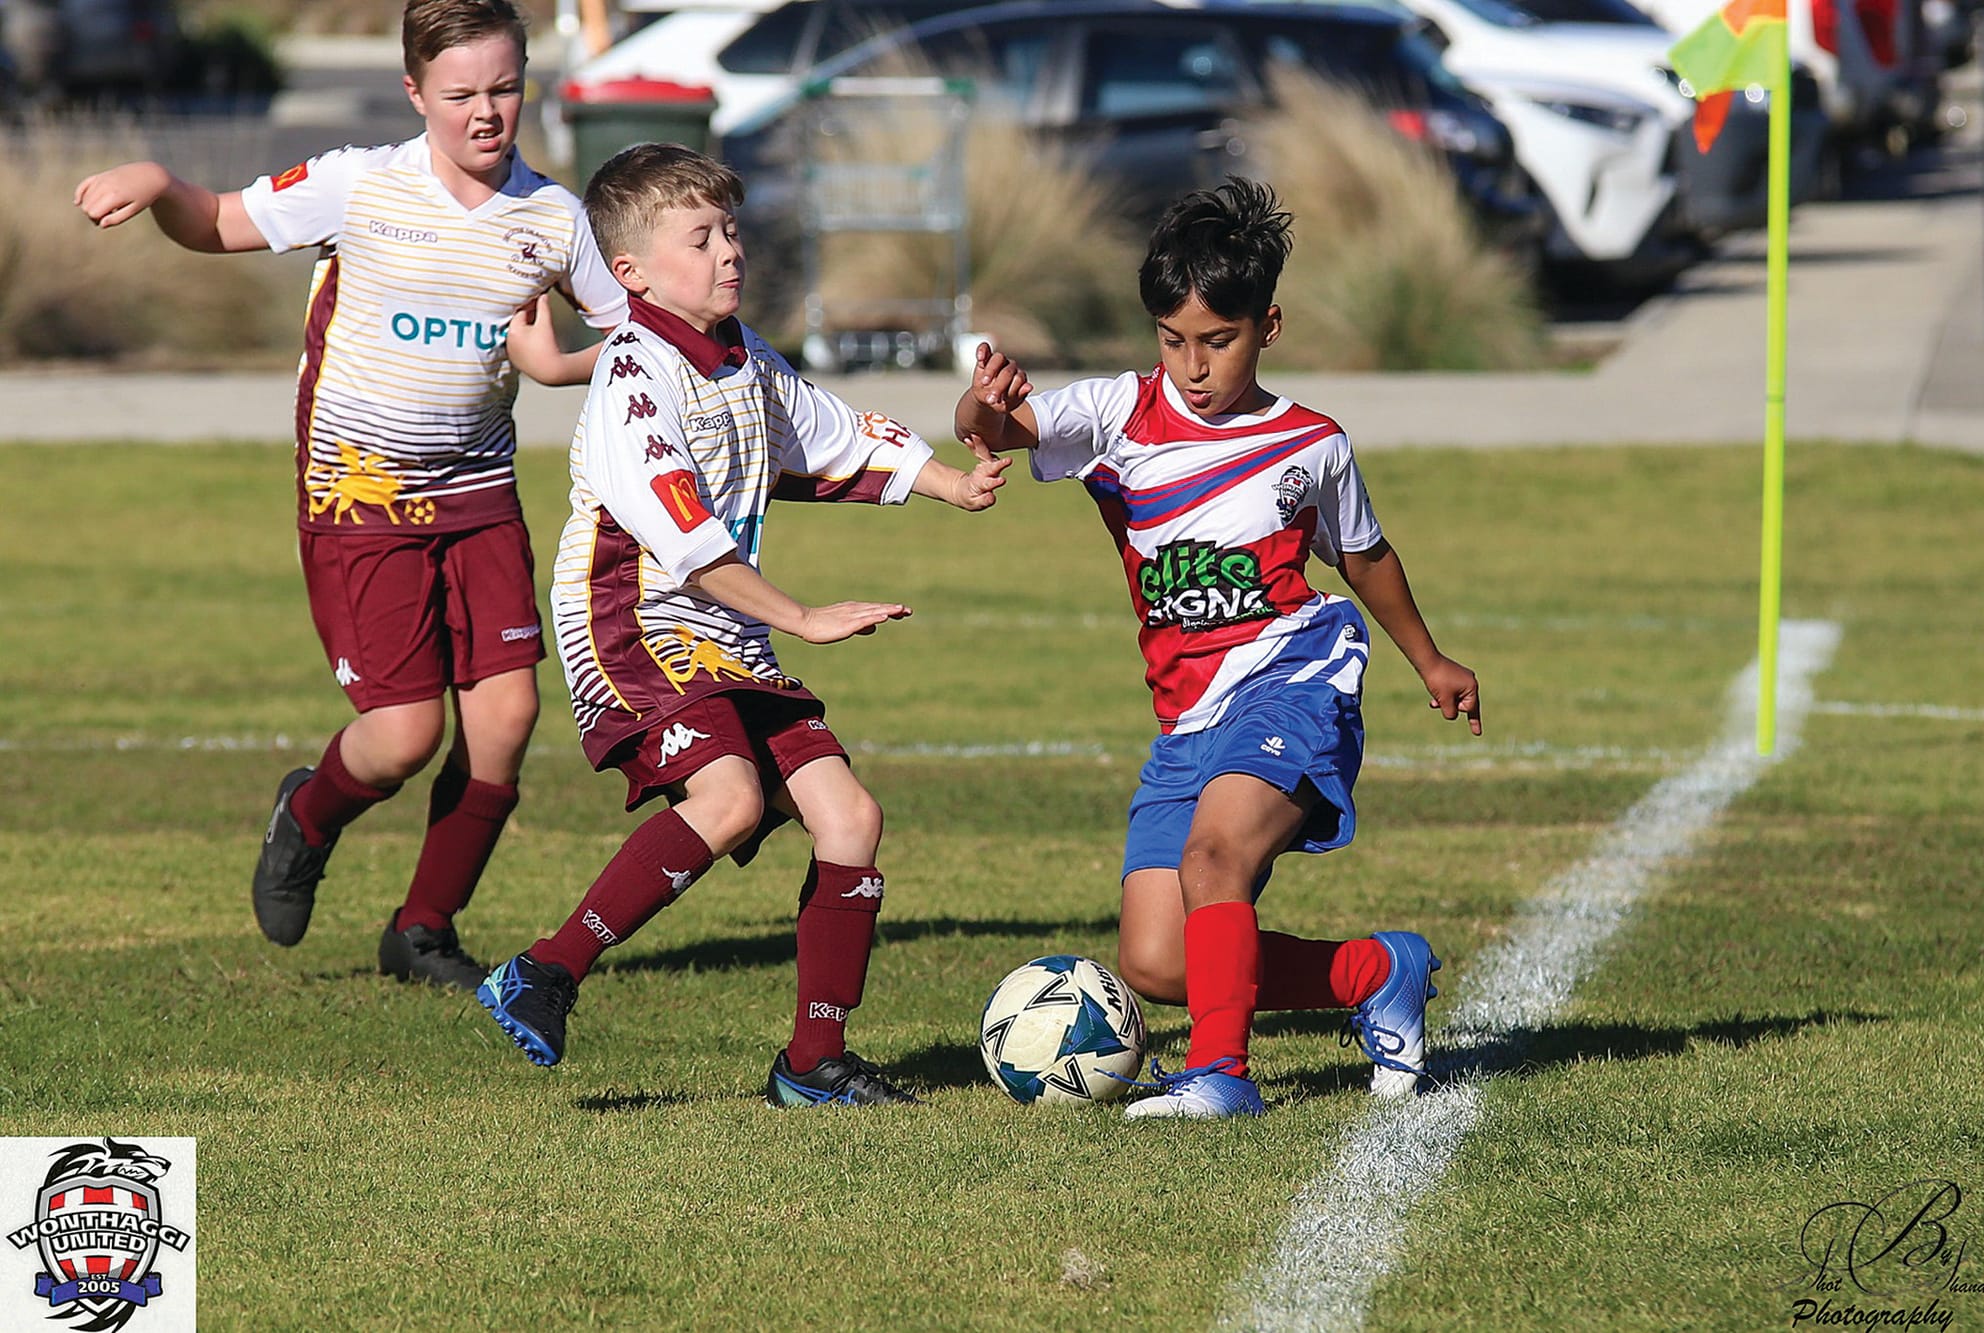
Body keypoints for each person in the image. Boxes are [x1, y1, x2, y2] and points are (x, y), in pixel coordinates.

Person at [73, 0, 627, 990]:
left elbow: (634, 344)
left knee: (503, 721)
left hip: (478, 492)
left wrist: (560, 367)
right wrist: (158, 181)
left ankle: (421, 931)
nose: (486, 113)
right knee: (404, 736)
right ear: (415, 94)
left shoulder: (551, 219)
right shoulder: (359, 185)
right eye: (460, 95)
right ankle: (309, 813)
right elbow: (215, 223)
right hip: (358, 494)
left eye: (505, 87)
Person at [477, 142, 1009, 1108]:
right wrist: (801, 616)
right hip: (632, 618)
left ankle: (814, 1062)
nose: (730, 251)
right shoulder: (635, 382)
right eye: (702, 237)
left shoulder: (740, 354)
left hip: (725, 623)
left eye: (732, 230)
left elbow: (827, 434)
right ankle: (546, 969)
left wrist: (953, 483)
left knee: (851, 816)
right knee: (724, 800)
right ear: (631, 273)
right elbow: (686, 544)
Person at [953, 177, 1482, 1118]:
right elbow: (997, 429)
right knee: (1157, 960)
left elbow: (1364, 556)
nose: (1192, 365)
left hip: (1296, 679)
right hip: (1185, 717)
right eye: (1172, 340)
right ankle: (1375, 971)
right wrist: (982, 407)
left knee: (1214, 859)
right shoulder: (1118, 414)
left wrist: (1431, 661)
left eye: (1217, 341)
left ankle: (1222, 1077)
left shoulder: (1310, 445)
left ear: (1267, 326)